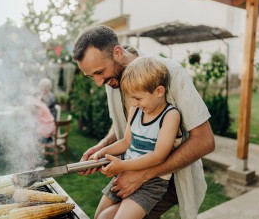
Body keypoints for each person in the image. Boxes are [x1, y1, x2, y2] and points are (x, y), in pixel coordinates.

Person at [73, 25, 215, 219]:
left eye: (99, 72)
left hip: (167, 177)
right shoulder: (112, 78)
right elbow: (125, 124)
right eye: (92, 77)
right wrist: (103, 147)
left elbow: (204, 141)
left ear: (117, 52)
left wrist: (142, 175)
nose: (98, 82)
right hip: (131, 168)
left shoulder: (171, 73)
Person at [91, 57, 183, 219]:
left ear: (159, 92)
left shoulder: (170, 116)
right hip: (126, 173)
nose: (133, 103)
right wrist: (102, 152)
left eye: (138, 98)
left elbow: (159, 156)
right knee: (100, 216)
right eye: (131, 98)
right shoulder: (136, 110)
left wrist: (122, 165)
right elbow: (126, 142)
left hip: (152, 182)